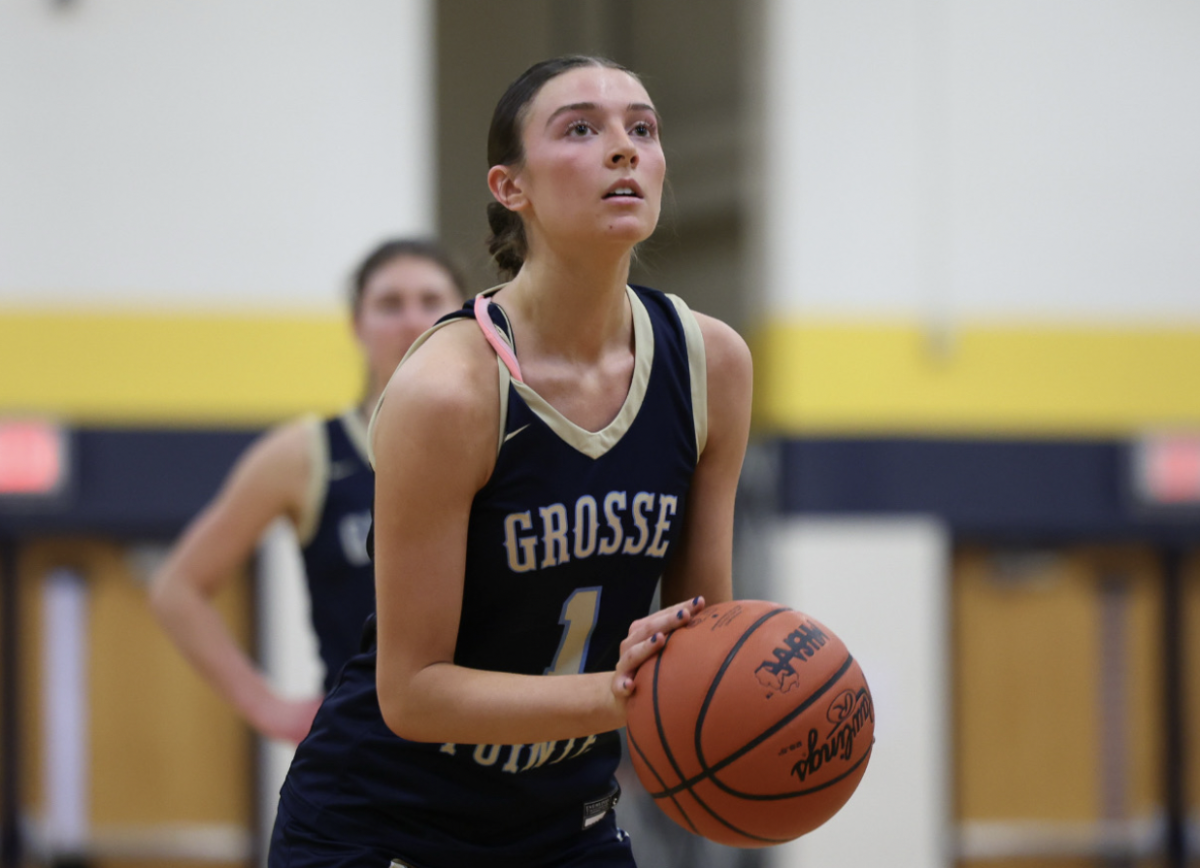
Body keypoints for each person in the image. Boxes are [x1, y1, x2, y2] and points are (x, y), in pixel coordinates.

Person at [269, 55, 753, 867]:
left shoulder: (711, 364)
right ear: (510, 187)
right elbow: (413, 692)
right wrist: (620, 696)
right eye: (581, 129)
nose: (624, 147)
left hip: (564, 824)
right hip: (383, 824)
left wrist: (749, 712)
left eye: (642, 127)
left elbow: (704, 630)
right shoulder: (449, 391)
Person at [149, 239, 466, 743]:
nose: (412, 320)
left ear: (462, 318)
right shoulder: (305, 454)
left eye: (430, 301)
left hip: (481, 753)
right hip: (362, 758)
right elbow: (177, 589)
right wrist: (268, 708)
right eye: (389, 304)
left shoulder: (505, 438)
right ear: (356, 326)